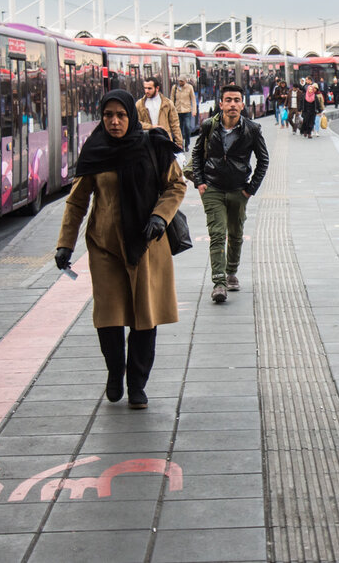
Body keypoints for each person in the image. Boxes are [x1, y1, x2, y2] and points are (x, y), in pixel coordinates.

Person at [55, 89, 184, 408]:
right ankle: (115, 371)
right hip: (105, 246)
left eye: (121, 115)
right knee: (109, 316)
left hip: (147, 244)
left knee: (145, 315)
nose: (114, 122)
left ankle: (137, 383)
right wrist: (64, 245)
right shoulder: (95, 150)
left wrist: (160, 216)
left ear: (131, 115)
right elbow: (77, 200)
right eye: (108, 115)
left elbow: (176, 185)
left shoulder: (153, 144)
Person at [191, 83, 269, 302]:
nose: (232, 104)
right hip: (213, 188)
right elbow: (197, 154)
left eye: (236, 100)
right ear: (221, 104)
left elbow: (264, 160)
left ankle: (231, 272)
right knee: (217, 234)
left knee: (235, 234)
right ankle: (219, 283)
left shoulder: (252, 129)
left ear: (243, 104)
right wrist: (200, 182)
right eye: (228, 100)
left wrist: (250, 189)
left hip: (238, 189)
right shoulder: (209, 126)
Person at [136, 78, 184, 149]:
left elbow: (175, 124)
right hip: (147, 143)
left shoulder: (167, 103)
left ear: (157, 88)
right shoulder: (139, 104)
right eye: (145, 88)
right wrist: (152, 127)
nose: (146, 91)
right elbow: (137, 123)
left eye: (149, 88)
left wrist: (179, 142)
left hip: (165, 142)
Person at [171, 75, 197, 141]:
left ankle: (187, 143)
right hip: (178, 111)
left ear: (185, 81)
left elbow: (193, 99)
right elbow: (172, 99)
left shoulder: (189, 87)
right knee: (179, 129)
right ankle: (181, 142)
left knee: (187, 127)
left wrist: (194, 110)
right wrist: (171, 110)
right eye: (179, 81)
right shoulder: (174, 88)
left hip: (187, 111)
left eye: (181, 81)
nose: (180, 82)